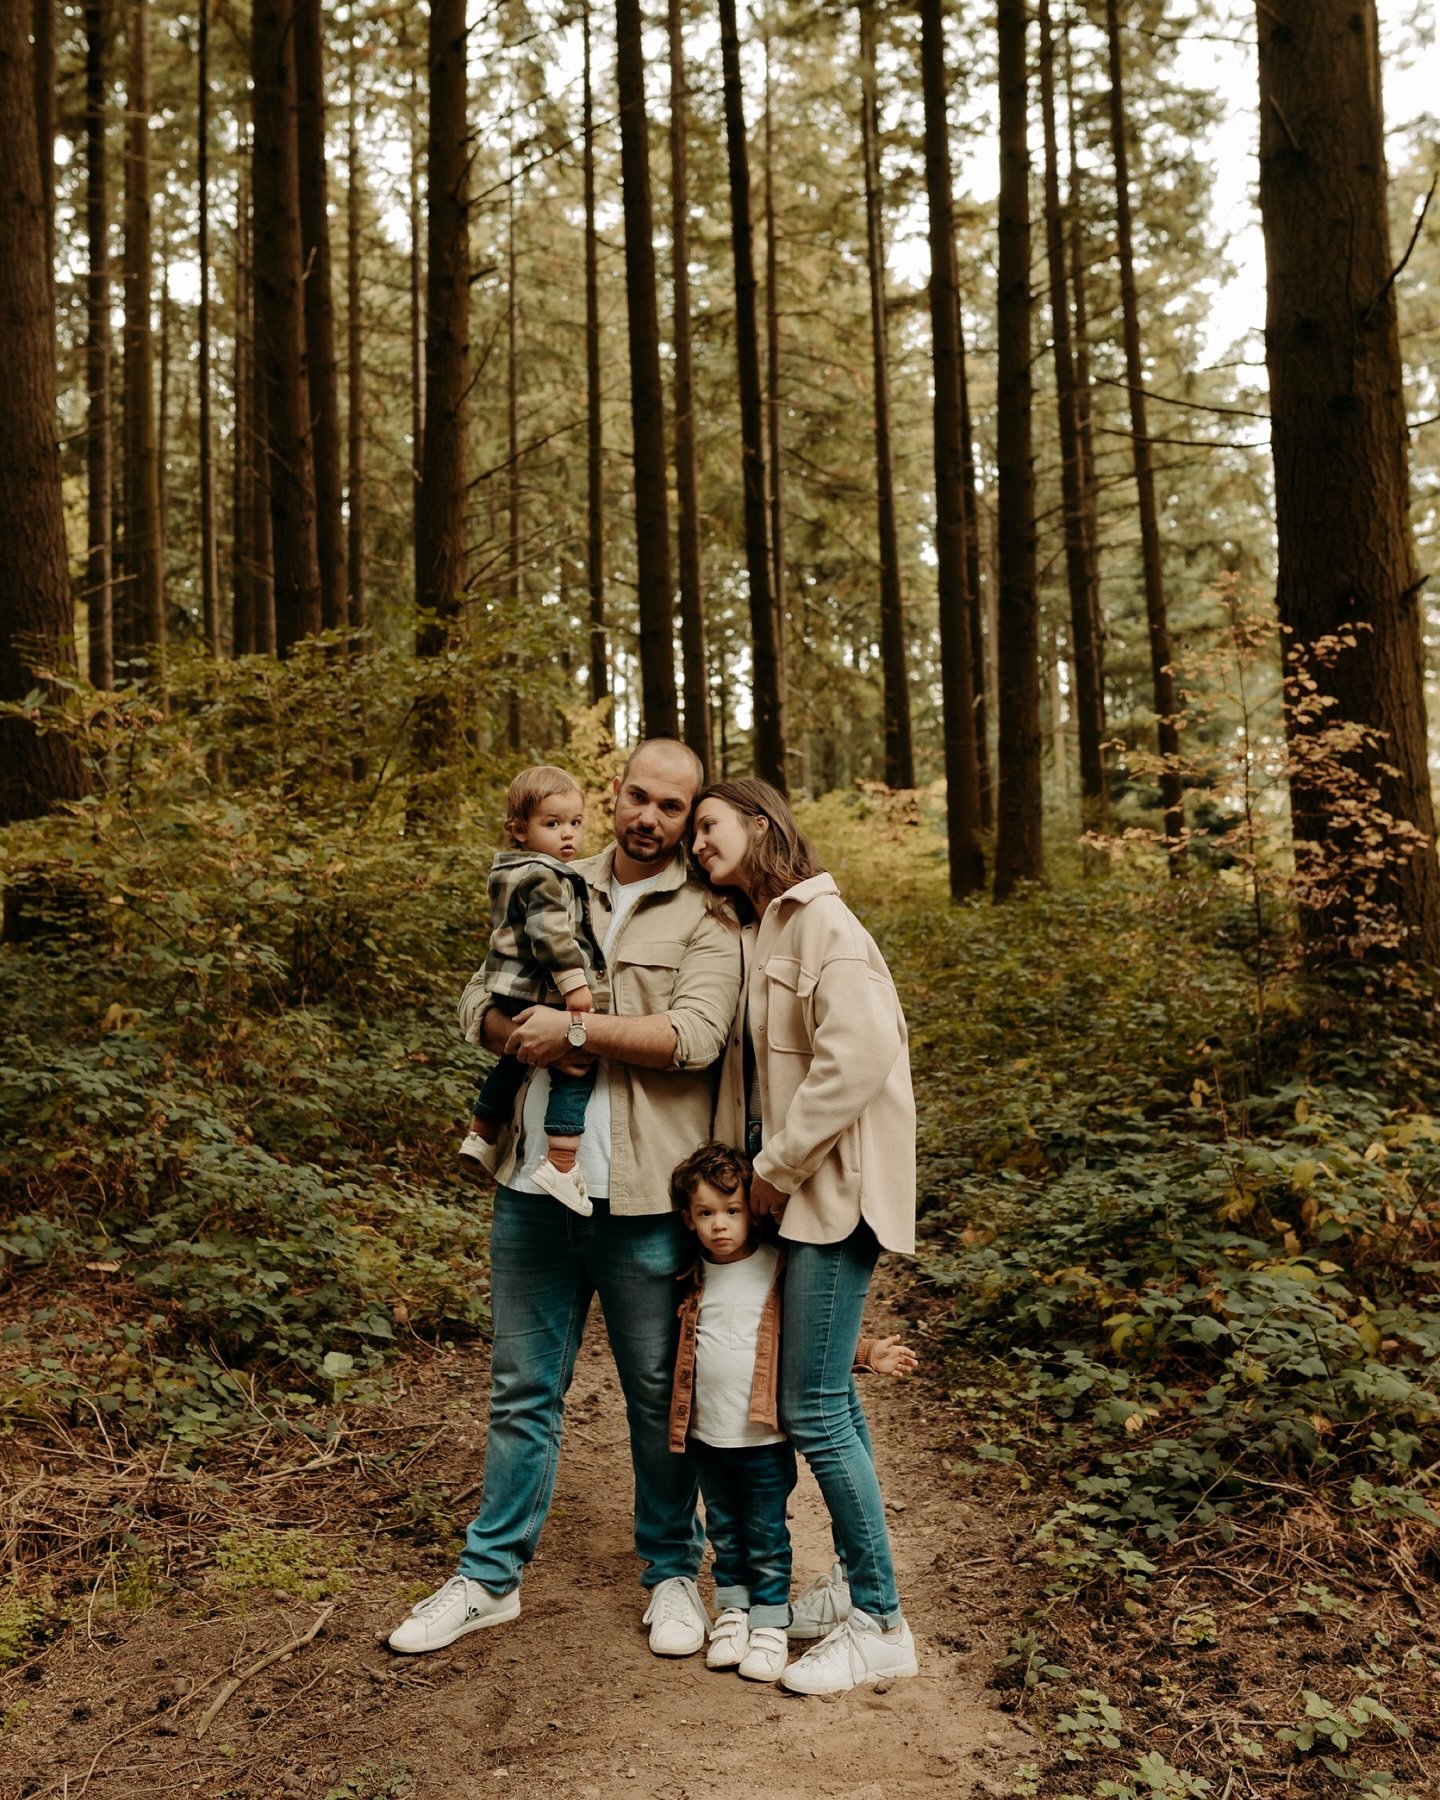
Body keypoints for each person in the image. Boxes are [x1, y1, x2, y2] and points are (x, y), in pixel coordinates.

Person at [388, 741, 742, 1660]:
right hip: (533, 1191)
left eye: (673, 807)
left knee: (657, 1396)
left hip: (646, 1200)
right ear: (615, 792)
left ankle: (673, 1574)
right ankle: (488, 1580)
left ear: (689, 816)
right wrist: (516, 1032)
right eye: (638, 797)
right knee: (521, 1392)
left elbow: (697, 1036)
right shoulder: (548, 875)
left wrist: (576, 1030)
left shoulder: (709, 911)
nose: (650, 819)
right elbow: (477, 997)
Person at [691, 776, 921, 1696]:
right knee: (831, 1402)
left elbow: (859, 1055)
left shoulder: (823, 923)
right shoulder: (764, 931)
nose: (698, 843)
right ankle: (859, 1590)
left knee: (813, 1409)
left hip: (832, 1195)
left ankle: (882, 1625)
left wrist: (776, 1168)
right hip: (796, 1200)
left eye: (709, 826)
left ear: (759, 824)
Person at [667, 1140, 917, 1685]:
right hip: (707, 1436)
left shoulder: (776, 1270)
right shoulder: (690, 1276)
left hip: (762, 1438)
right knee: (724, 1529)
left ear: (751, 1211)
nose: (720, 1225)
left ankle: (770, 1623)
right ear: (688, 1219)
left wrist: (864, 1354)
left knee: (765, 1532)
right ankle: (733, 1611)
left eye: (732, 1210)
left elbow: (809, 1344)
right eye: (706, 1213)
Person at [458, 764, 606, 1218]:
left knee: (514, 1058)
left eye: (575, 822)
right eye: (553, 823)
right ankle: (561, 1163)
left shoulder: (507, 870)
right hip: (536, 989)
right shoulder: (546, 875)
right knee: (577, 1065)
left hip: (506, 988)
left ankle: (482, 1132)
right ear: (519, 830)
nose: (568, 834)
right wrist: (575, 986)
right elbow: (551, 935)